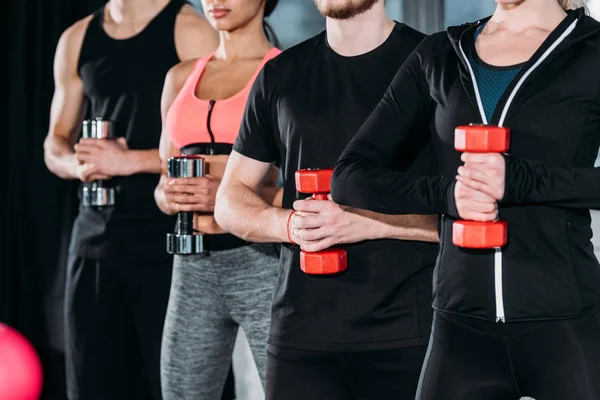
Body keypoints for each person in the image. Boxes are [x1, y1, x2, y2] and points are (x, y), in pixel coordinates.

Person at [331, 0, 600, 399]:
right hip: (460, 330)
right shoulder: (439, 54)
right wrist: (447, 194)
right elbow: (349, 176)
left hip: (567, 322)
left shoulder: (591, 50)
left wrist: (521, 181)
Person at [214, 0, 441, 398]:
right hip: (300, 337)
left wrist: (366, 223)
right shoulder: (280, 74)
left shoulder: (434, 65)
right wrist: (288, 224)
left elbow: (470, 212)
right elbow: (229, 200)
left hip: (408, 334)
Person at [43, 1, 219, 399]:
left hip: (172, 244)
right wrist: (79, 166)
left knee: (183, 389)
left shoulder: (190, 29)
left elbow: (221, 150)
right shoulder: (76, 38)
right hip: (94, 244)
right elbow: (54, 142)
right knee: (92, 387)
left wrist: (128, 161)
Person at [154, 0, 282, 398]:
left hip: (263, 264)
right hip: (191, 267)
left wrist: (228, 197)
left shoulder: (287, 71)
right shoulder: (180, 76)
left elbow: (302, 190)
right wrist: (169, 197)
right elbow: (162, 180)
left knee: (288, 390)